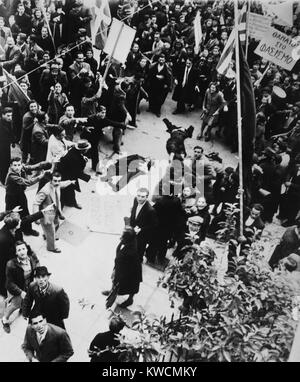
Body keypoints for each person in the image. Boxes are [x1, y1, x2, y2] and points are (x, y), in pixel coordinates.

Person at [1, 241, 39, 334]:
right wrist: (20, 292)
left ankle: (23, 309)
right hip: (16, 289)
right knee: (15, 305)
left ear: (26, 249)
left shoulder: (31, 257)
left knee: (26, 301)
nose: (22, 251)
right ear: (16, 253)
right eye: (19, 250)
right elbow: (9, 283)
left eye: (23, 248)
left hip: (27, 286)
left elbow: (37, 264)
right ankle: (5, 319)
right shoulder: (11, 264)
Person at [5, 157, 48, 235]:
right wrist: (41, 176)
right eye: (15, 165)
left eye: (19, 165)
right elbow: (28, 182)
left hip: (20, 194)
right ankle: (13, 234)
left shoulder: (21, 167)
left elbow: (31, 167)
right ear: (11, 166)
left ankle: (27, 230)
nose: (17, 167)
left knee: (25, 213)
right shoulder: (11, 176)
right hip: (11, 198)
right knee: (12, 217)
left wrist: (42, 164)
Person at [33, 172, 75, 253]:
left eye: (59, 180)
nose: (57, 183)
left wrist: (70, 182)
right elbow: (36, 203)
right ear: (51, 180)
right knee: (51, 230)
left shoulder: (58, 185)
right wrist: (36, 218)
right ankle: (51, 247)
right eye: (55, 181)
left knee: (56, 224)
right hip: (46, 214)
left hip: (55, 211)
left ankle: (47, 235)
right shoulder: (45, 190)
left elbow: (62, 184)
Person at [103, 227, 142, 309]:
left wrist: (119, 275)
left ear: (127, 240)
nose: (120, 238)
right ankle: (112, 291)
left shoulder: (129, 252)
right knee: (114, 280)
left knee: (131, 286)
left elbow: (125, 266)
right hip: (121, 267)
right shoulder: (130, 241)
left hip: (130, 270)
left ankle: (130, 300)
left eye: (122, 237)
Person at [56, 140, 91, 208]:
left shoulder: (74, 150)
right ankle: (60, 209)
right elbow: (77, 172)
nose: (87, 150)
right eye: (86, 149)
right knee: (67, 191)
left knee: (68, 190)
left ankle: (69, 203)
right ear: (83, 150)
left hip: (65, 171)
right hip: (66, 175)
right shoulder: (74, 158)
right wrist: (88, 177)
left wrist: (83, 158)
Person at [129, 187, 158, 262]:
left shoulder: (150, 210)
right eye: (138, 195)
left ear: (147, 197)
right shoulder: (135, 200)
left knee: (139, 253)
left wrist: (141, 229)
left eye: (142, 197)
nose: (139, 198)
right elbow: (133, 212)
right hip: (132, 230)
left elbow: (153, 225)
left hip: (142, 236)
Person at [0, 107, 14, 184]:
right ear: (3, 115)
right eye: (8, 116)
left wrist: (13, 141)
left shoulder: (9, 122)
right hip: (1, 146)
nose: (10, 118)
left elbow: (10, 132)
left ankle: (4, 177)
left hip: (6, 145)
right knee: (3, 162)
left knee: (6, 161)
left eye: (11, 115)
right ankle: (2, 179)